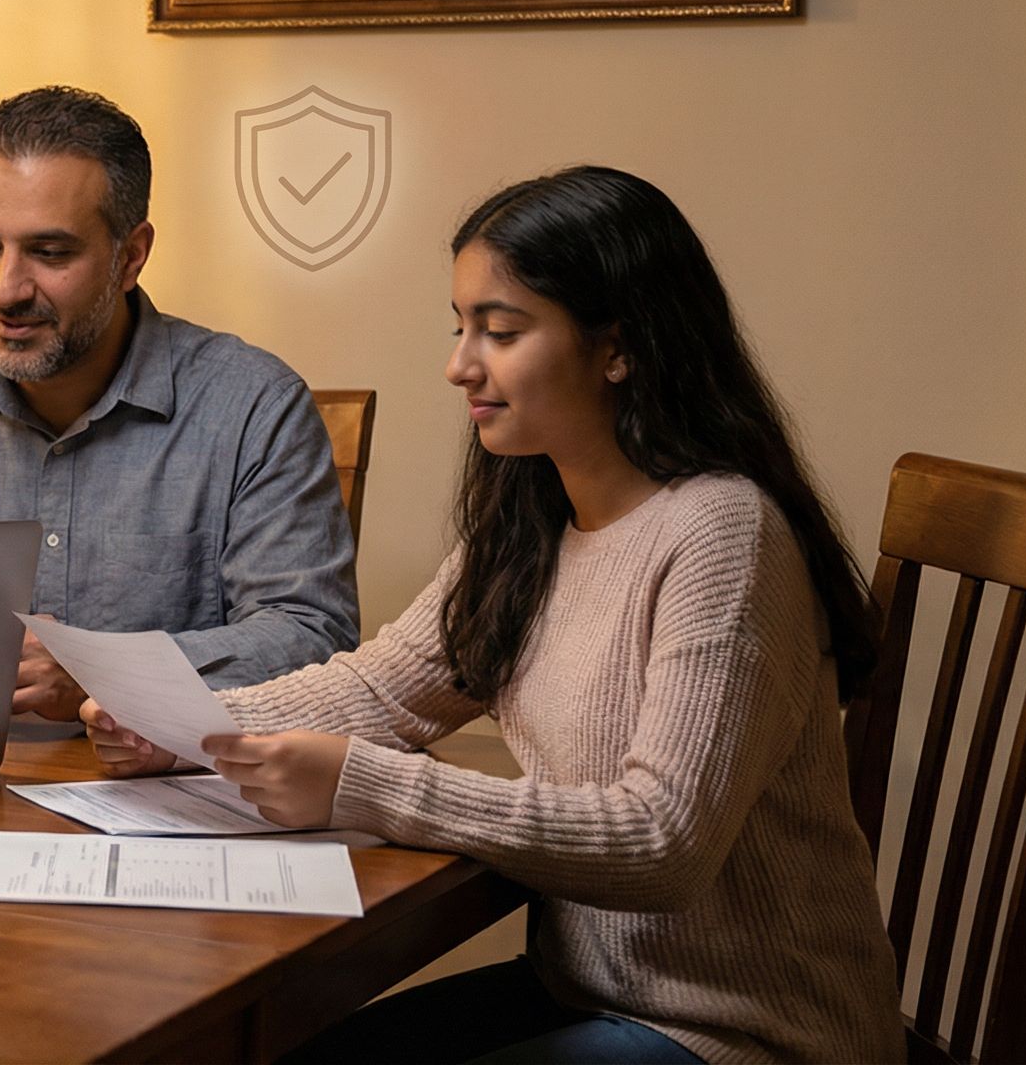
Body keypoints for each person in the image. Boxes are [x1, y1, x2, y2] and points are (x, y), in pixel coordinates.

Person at [85, 166, 903, 1065]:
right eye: (460, 326)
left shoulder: (722, 535)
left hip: (744, 1033)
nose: (458, 365)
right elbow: (385, 692)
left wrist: (364, 785)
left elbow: (662, 843)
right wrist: (190, 726)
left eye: (500, 331)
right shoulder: (534, 520)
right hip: (584, 991)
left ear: (618, 348)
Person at [0, 85, 358, 716]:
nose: (5, 289)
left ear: (130, 257)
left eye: (49, 253)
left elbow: (311, 639)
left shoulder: (254, 407)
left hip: (153, 798)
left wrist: (104, 674)